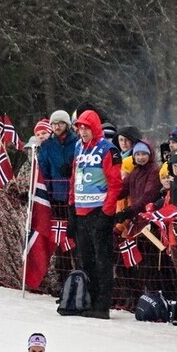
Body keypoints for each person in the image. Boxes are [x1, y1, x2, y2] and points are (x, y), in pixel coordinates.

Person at [69, 109, 122, 319]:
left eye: (86, 127)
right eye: (80, 128)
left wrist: (107, 213)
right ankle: (89, 299)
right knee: (85, 259)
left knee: (102, 260)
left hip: (99, 212)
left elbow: (116, 184)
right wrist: (71, 208)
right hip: (81, 212)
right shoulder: (78, 147)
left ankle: (103, 304)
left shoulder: (108, 149)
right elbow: (74, 177)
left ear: (94, 128)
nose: (82, 132)